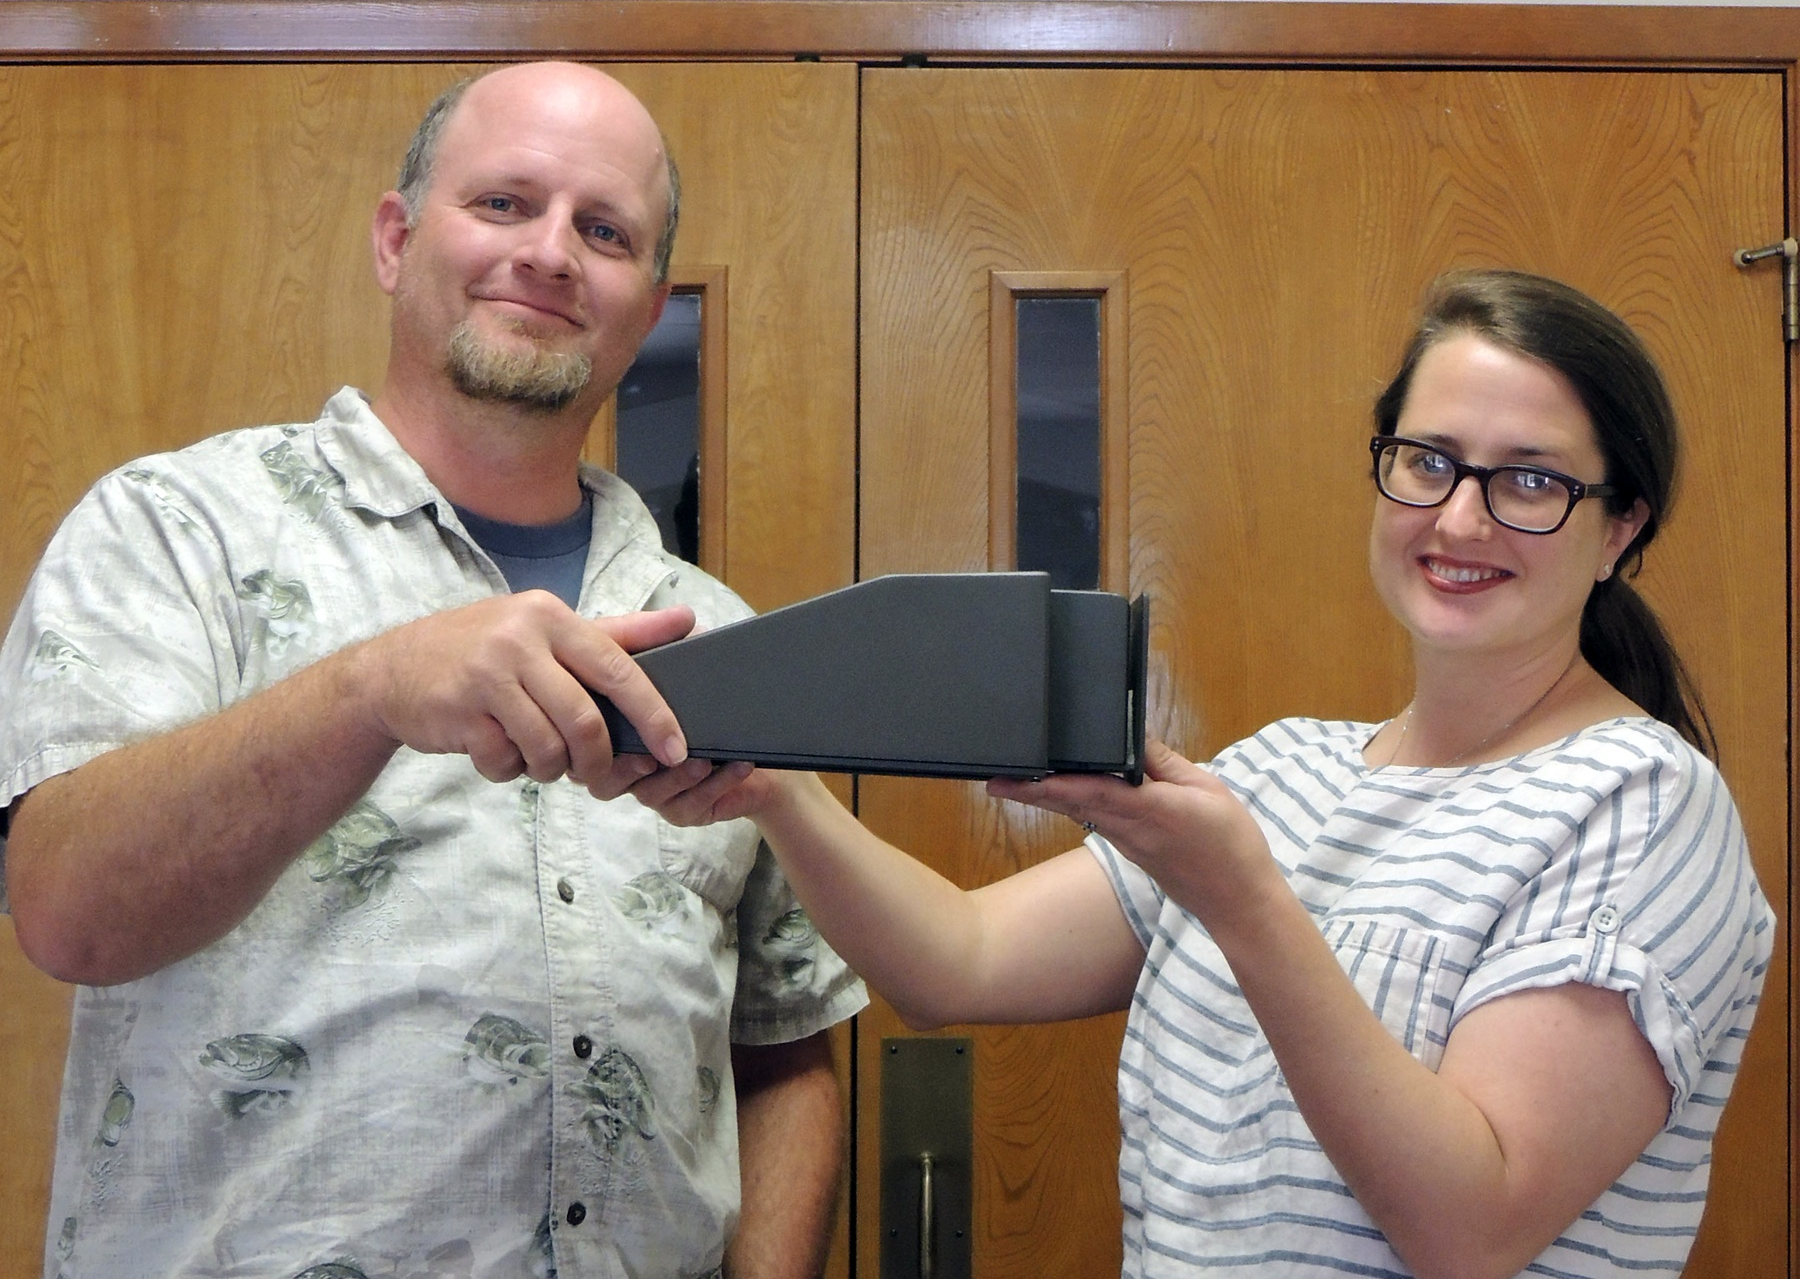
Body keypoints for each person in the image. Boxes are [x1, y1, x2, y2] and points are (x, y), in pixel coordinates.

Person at [641, 269, 1771, 1279]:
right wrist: (769, 789)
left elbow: (1469, 1229)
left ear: (1621, 526)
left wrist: (1244, 898)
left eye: (1531, 480)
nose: (1460, 515)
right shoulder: (1282, 770)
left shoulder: (1641, 804)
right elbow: (958, 960)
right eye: (1428, 461)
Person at [0, 62, 864, 1279]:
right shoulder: (175, 531)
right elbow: (66, 907)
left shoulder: (717, 632)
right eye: (505, 204)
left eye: (603, 229)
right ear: (397, 239)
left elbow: (781, 1040)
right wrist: (367, 691)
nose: (553, 252)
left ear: (647, 299)